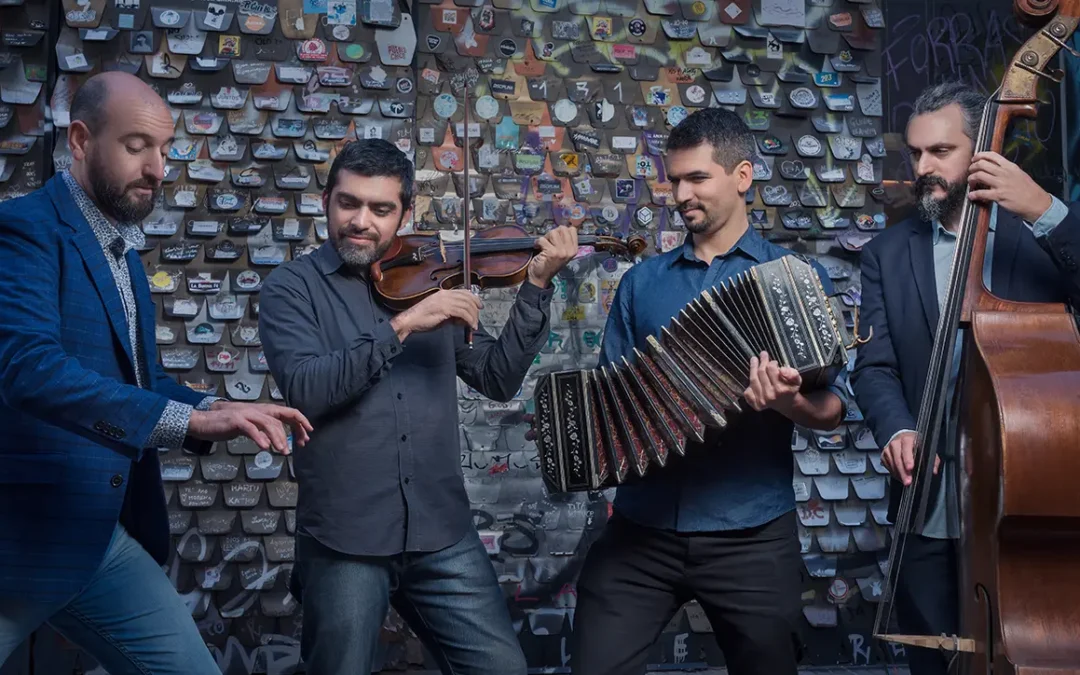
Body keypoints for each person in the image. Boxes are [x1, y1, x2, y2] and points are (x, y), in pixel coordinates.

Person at [0, 72, 312, 673]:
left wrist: (210, 410)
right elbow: (28, 369)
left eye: (166, 150)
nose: (157, 168)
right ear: (82, 140)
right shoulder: (26, 230)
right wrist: (177, 419)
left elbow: (136, 385)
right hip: (20, 541)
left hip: (99, 538)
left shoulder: (123, 255)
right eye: (137, 146)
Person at [257, 138, 580, 674]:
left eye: (381, 209)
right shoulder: (291, 289)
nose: (361, 221)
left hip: (439, 532)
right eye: (349, 203)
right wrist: (403, 326)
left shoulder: (430, 279)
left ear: (405, 213)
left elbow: (498, 379)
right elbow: (307, 389)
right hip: (347, 538)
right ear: (325, 201)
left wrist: (537, 286)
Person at [569, 107, 849, 675]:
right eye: (674, 180)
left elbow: (833, 411)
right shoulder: (642, 283)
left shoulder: (793, 278)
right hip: (642, 530)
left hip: (750, 531)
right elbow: (612, 403)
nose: (681, 194)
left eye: (697, 178)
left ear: (742, 176)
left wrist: (785, 401)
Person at [850, 81, 1080, 675]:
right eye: (916, 153)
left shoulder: (1039, 233)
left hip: (1024, 487)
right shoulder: (885, 254)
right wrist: (896, 427)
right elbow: (874, 368)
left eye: (940, 152)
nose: (923, 168)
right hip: (925, 495)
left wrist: (1044, 210)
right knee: (932, 659)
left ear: (982, 146)